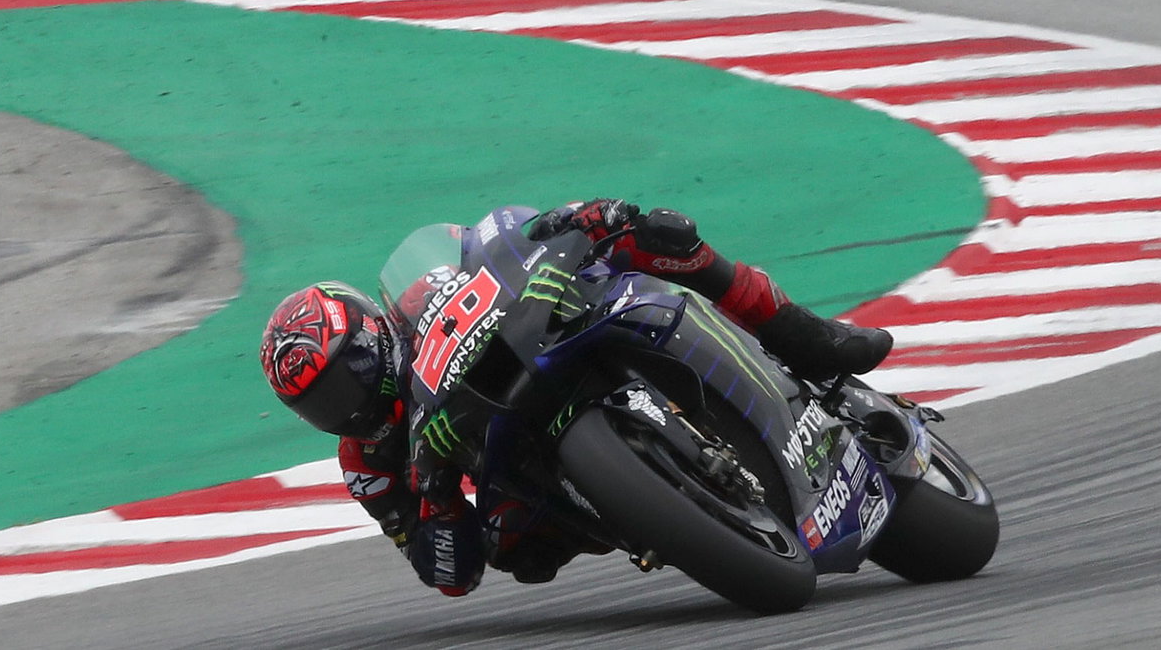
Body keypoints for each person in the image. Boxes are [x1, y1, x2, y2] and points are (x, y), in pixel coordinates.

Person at [258, 199, 892, 596]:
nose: (344, 406)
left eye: (345, 379)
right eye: (319, 404)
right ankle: (655, 510)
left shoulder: (419, 298)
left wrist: (570, 222)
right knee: (514, 546)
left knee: (651, 236)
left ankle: (808, 338)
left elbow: (498, 237)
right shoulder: (366, 461)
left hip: (543, 335)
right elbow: (449, 574)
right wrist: (439, 497)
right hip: (511, 458)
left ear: (372, 337)